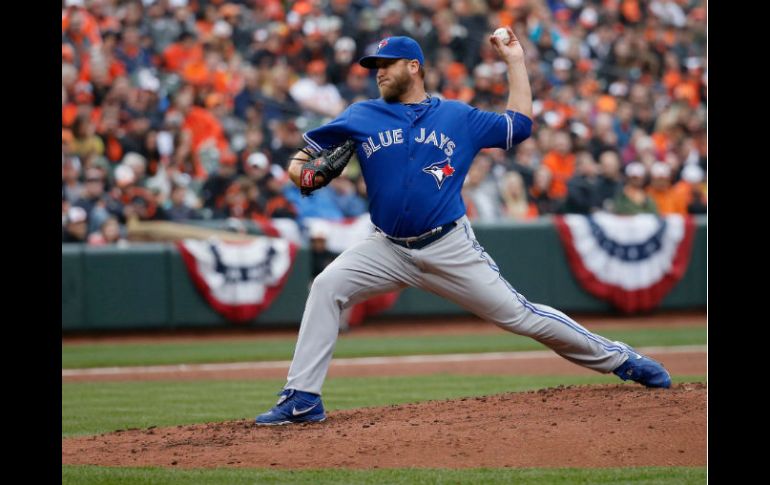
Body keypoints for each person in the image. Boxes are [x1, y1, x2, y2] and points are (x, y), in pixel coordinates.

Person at [256, 33, 671, 426]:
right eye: (374, 66)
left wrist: (515, 62)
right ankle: (303, 398)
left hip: (449, 245)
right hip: (385, 248)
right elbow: (302, 159)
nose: (377, 72)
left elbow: (518, 126)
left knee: (521, 316)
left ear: (414, 67)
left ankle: (620, 359)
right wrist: (303, 176)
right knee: (327, 286)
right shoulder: (361, 114)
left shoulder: (457, 115)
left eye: (386, 64)